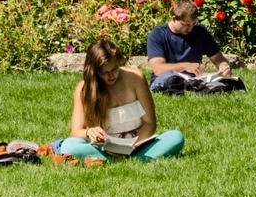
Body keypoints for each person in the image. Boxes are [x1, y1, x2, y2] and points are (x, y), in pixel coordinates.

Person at [51, 38, 185, 163]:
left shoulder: (135, 78)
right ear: (95, 71)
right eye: (104, 72)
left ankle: (121, 159)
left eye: (115, 69)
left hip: (137, 143)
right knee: (69, 146)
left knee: (176, 137)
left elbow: (149, 123)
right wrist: (89, 132)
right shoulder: (83, 89)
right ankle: (129, 159)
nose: (111, 76)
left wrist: (135, 144)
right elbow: (76, 131)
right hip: (103, 147)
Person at [146, 0, 229, 83]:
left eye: (193, 24)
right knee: (171, 81)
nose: (190, 28)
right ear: (174, 19)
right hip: (166, 80)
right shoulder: (157, 35)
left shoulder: (199, 31)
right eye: (185, 25)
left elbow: (218, 58)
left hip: (194, 80)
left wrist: (224, 66)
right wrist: (185, 66)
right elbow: (158, 69)